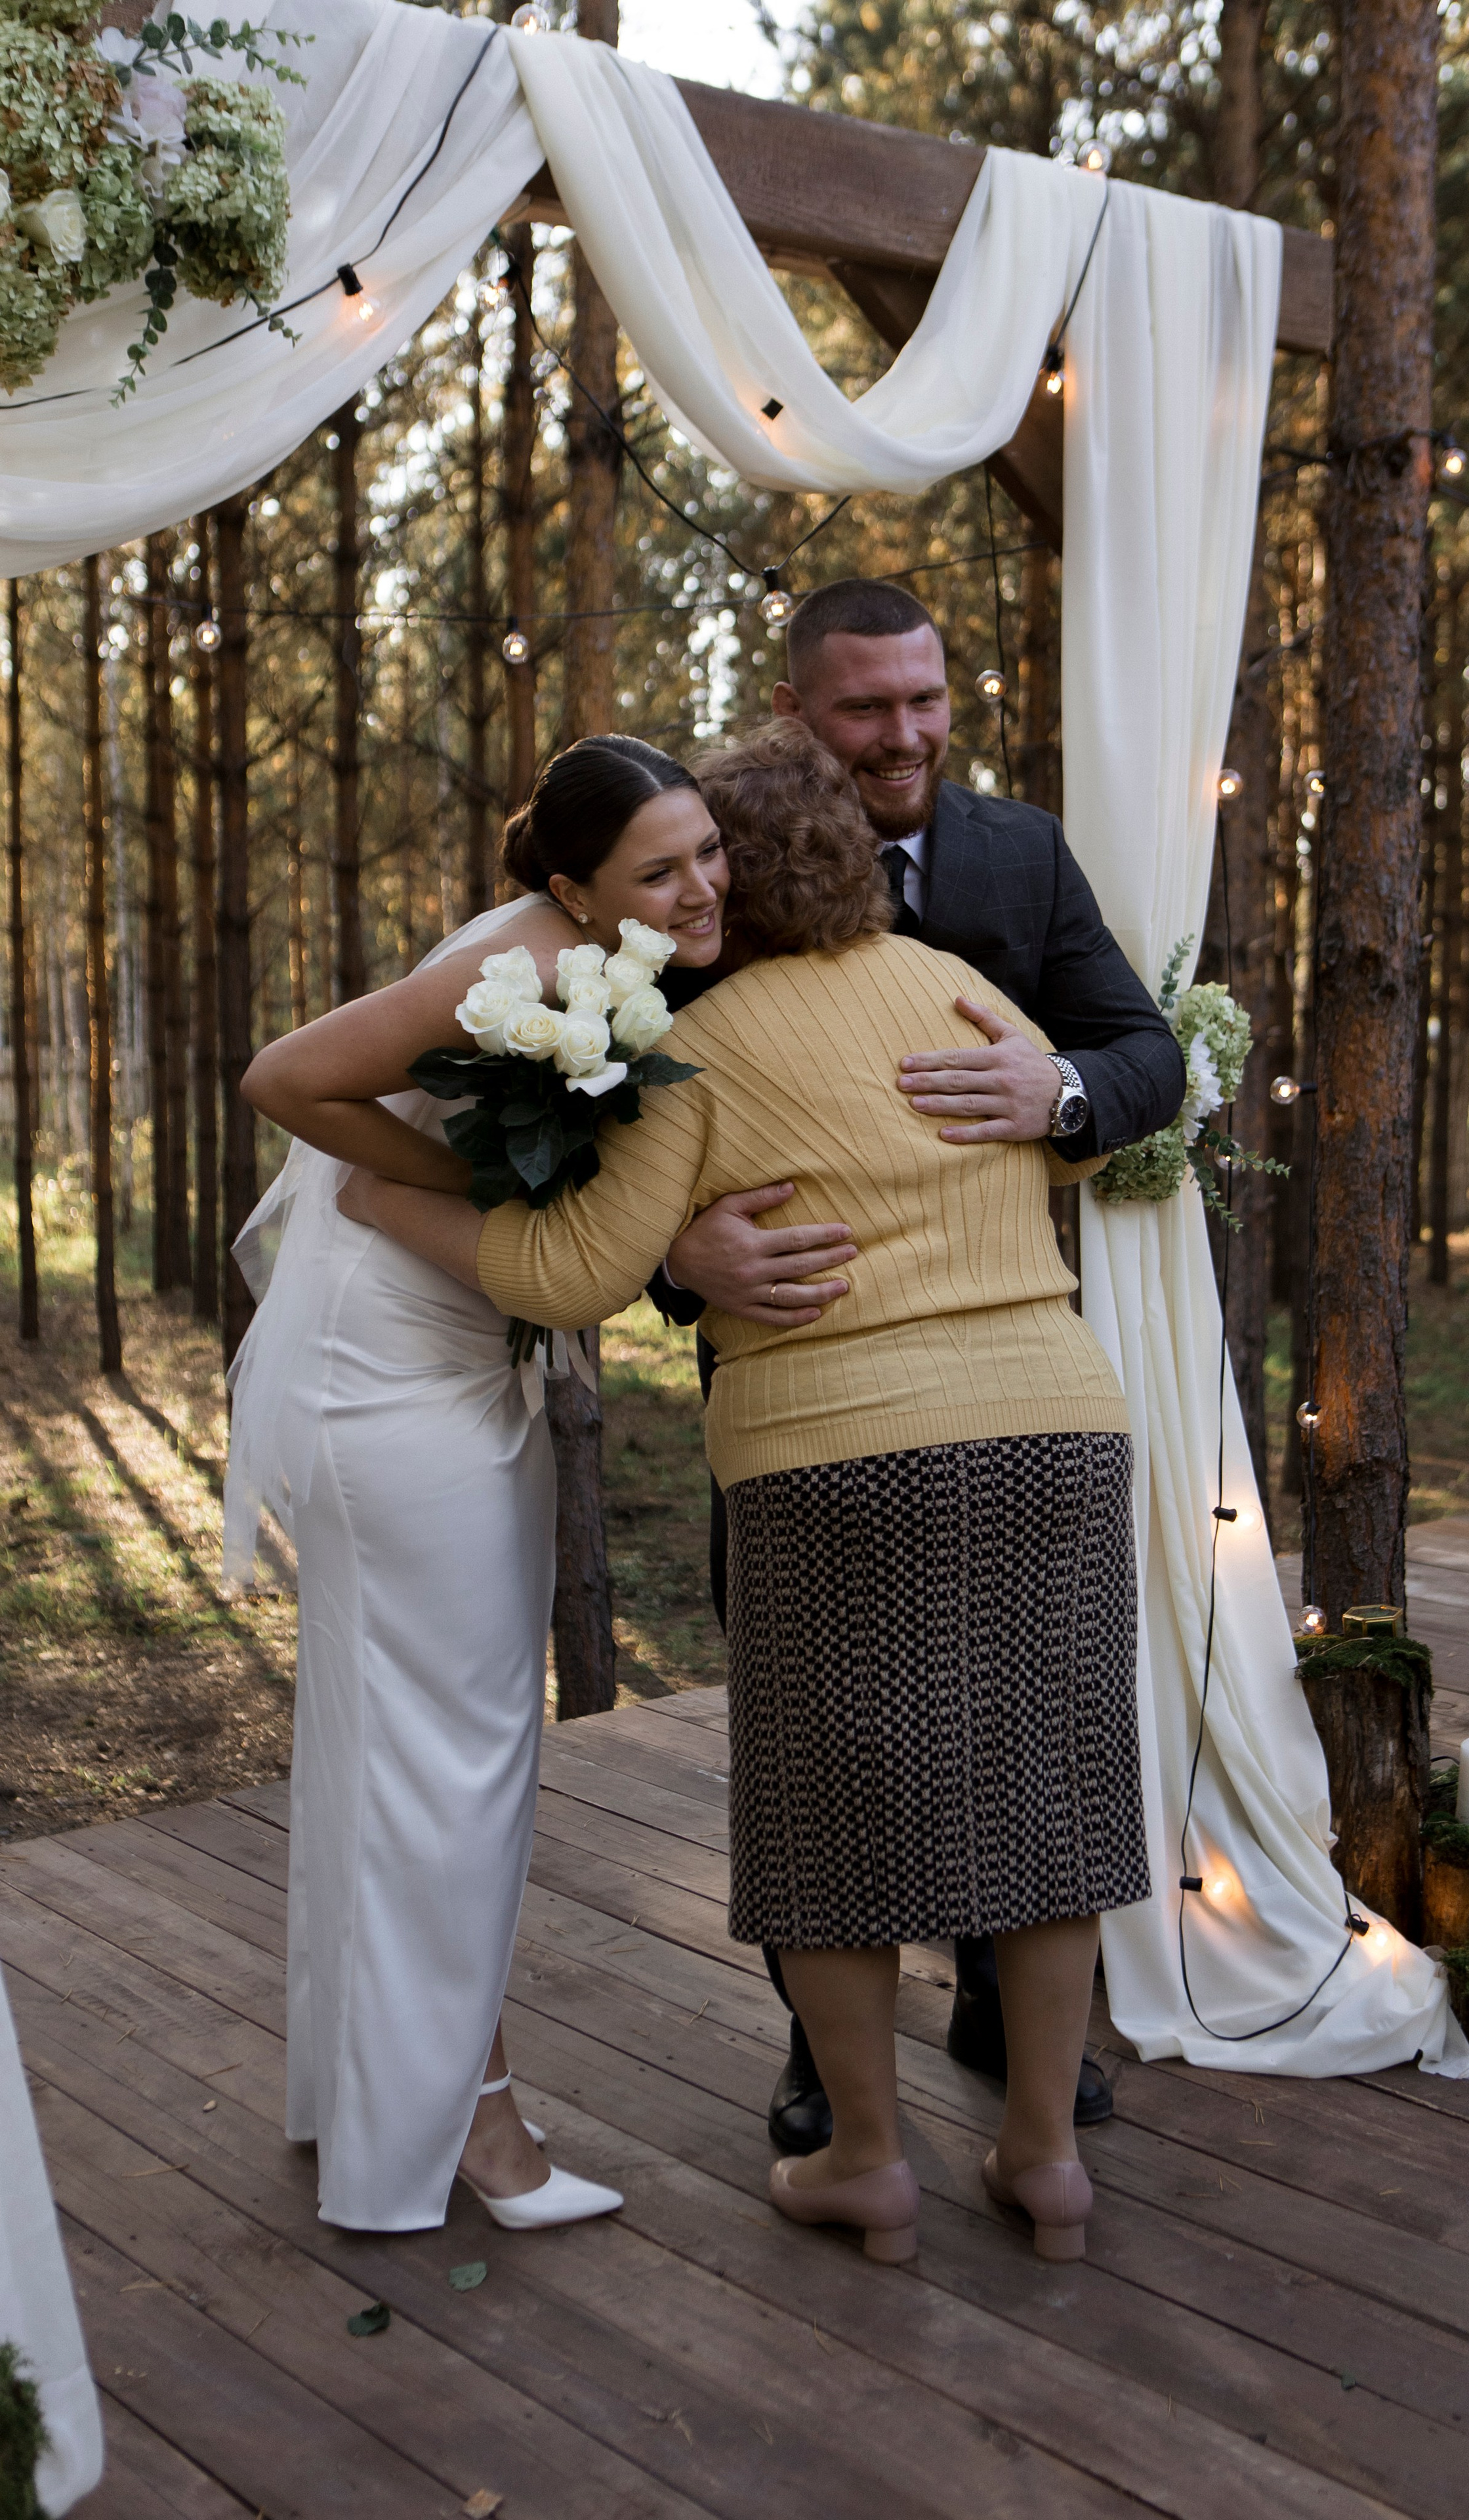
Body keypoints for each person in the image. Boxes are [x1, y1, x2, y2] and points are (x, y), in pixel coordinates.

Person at [339, 720, 1151, 2269]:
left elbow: (575, 1265)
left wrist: (391, 1198)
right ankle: (1044, 2161)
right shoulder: (970, 1001)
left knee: (826, 1823)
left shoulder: (689, 1060)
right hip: (1054, 1429)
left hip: (835, 1463)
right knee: (1054, 1800)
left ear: (735, 884)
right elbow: (1039, 1162)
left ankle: (866, 2162)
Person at [653, 579, 1184, 2153]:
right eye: (869, 709)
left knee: (1026, 1714)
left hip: (995, 1355)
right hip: (799, 1372)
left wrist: (1061, 1091)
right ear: (797, 712)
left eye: (927, 700)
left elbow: (1146, 1052)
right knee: (824, 1738)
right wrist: (683, 1264)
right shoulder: (706, 871)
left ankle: (1003, 2020)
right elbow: (638, 1113)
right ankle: (827, 2058)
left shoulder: (1019, 853)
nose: (907, 734)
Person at [230, 736, 730, 2233]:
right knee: (450, 1764)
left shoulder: (613, 957)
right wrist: (477, 1186)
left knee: (401, 1754)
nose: (700, 884)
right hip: (386, 1384)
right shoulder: (517, 961)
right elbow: (282, 1078)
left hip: (454, 1364)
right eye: (661, 867)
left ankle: (370, 2102)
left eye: (707, 848)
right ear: (573, 887)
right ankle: (470, 2135)